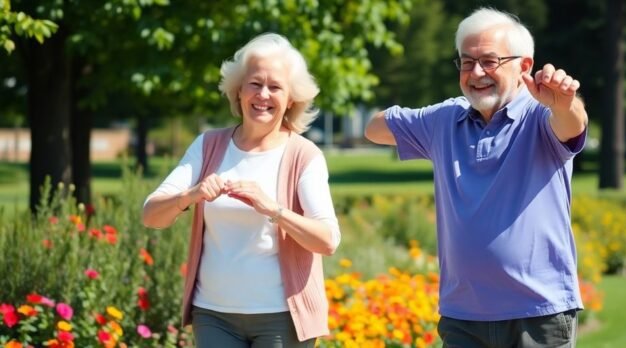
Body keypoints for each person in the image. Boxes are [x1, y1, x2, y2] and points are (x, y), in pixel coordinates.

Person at [365, 7, 588, 348]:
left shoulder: (542, 115)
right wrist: (438, 116)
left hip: (538, 313)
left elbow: (573, 125)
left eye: (489, 61)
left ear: (524, 66)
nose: (476, 72)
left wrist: (565, 103)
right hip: (463, 317)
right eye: (466, 62)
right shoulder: (444, 121)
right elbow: (374, 128)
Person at [142, 33, 340, 347]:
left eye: (275, 87)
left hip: (281, 318)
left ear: (291, 99)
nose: (263, 95)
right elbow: (151, 215)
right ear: (238, 90)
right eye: (254, 84)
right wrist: (191, 195)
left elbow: (328, 240)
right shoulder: (208, 146)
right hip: (213, 315)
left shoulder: (304, 156)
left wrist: (274, 209)